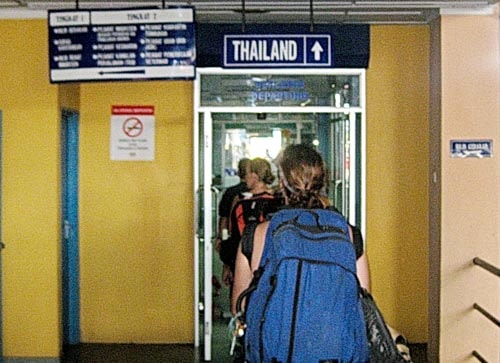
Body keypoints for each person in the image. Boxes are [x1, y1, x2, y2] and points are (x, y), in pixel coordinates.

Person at [231, 144, 370, 312]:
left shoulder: (257, 235)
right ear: (323, 182)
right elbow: (363, 306)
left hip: (274, 338)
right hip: (332, 337)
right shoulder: (348, 234)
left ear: (282, 184)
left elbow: (239, 308)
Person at [220, 157, 281, 288]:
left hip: (242, 262)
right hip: (269, 264)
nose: (245, 178)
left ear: (254, 176)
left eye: (247, 174)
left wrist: (227, 266)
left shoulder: (240, 201)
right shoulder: (277, 201)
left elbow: (233, 234)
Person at [215, 158, 250, 255]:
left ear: (238, 173)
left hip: (233, 237)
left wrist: (221, 238)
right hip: (250, 238)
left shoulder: (230, 192)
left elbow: (224, 218)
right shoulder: (255, 193)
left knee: (228, 267)